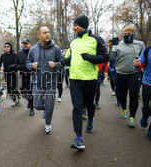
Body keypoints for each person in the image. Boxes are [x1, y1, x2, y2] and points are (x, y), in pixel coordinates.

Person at [65, 15, 108, 149]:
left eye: (75, 25)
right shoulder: (73, 42)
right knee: (77, 108)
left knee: (90, 105)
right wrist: (57, 63)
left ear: (82, 25)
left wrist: (90, 57)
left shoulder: (96, 39)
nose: (73, 28)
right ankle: (78, 138)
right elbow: (68, 59)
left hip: (90, 80)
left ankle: (90, 120)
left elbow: (105, 57)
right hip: (75, 79)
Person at [26, 26, 63, 134]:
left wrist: (55, 64)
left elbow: (62, 63)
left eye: (48, 32)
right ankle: (45, 110)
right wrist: (32, 65)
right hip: (37, 82)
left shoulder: (56, 48)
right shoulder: (33, 49)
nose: (47, 34)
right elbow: (27, 63)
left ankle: (48, 124)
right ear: (39, 35)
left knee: (50, 104)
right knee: (37, 105)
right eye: (44, 32)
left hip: (51, 82)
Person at [108, 25, 145, 127]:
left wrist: (141, 65)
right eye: (124, 33)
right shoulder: (117, 45)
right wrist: (110, 48)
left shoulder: (140, 44)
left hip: (134, 74)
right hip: (120, 74)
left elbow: (144, 57)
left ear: (133, 34)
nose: (126, 35)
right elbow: (110, 57)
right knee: (122, 95)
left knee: (133, 95)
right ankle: (124, 109)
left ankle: (132, 117)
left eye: (128, 33)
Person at [134, 46, 151, 140]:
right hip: (148, 84)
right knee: (147, 108)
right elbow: (139, 67)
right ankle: (145, 116)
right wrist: (136, 65)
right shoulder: (147, 50)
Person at [16, 38, 35, 116]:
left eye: (26, 43)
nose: (25, 45)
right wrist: (18, 67)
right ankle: (30, 102)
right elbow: (16, 63)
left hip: (31, 75)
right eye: (23, 43)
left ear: (30, 44)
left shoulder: (33, 53)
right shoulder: (19, 53)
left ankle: (32, 108)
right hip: (22, 76)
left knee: (30, 92)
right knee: (23, 93)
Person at [0, 42, 19, 107]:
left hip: (13, 73)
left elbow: (17, 64)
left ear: (10, 47)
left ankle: (17, 96)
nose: (6, 48)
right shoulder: (3, 55)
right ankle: (14, 100)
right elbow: (0, 63)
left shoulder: (15, 55)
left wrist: (13, 66)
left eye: (8, 46)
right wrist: (0, 66)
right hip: (6, 73)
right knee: (9, 88)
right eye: (5, 47)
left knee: (13, 88)